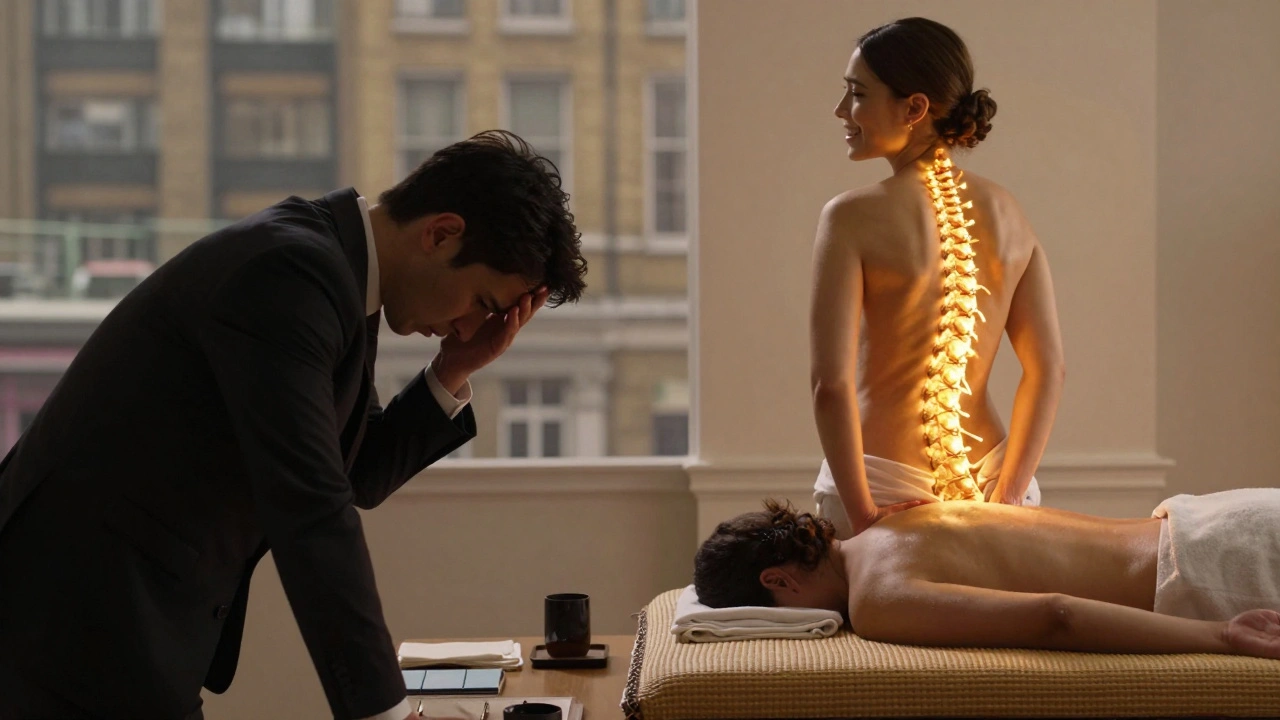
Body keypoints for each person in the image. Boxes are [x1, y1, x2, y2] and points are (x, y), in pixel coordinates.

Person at [0, 130, 586, 720]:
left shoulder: (340, 277)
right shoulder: (291, 273)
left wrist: (456, 367)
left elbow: (356, 471)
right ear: (441, 233)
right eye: (482, 303)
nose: (469, 327)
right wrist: (385, 711)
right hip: (65, 628)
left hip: (116, 627)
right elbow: (312, 506)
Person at [810, 17, 1066, 538]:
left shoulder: (850, 216)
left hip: (882, 492)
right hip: (996, 488)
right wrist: (1012, 496)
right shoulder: (1009, 212)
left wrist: (863, 518)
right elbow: (1049, 370)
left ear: (915, 107)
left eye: (857, 94)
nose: (841, 111)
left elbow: (829, 386)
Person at [693, 497, 1280, 660]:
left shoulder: (877, 599)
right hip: (1212, 518)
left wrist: (1223, 636)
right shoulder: (897, 522)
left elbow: (1057, 615)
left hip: (1216, 571)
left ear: (778, 581)